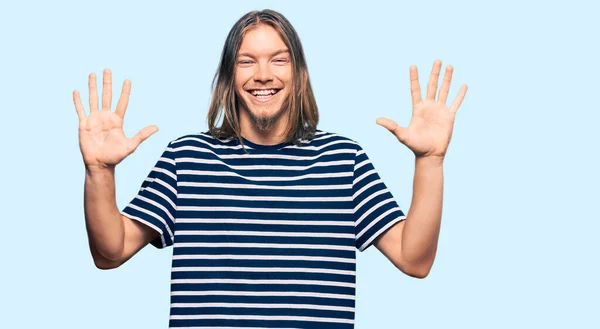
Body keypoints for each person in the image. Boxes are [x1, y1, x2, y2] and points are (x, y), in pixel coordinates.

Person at [74, 9, 467, 329]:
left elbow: (414, 260)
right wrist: (99, 172)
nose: (264, 74)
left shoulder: (343, 160)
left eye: (279, 59)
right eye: (247, 61)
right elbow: (110, 252)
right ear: (230, 76)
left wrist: (430, 161)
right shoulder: (186, 157)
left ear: (299, 73)